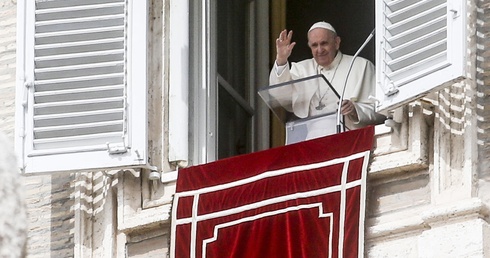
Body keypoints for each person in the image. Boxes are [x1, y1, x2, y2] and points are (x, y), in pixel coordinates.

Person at [269, 21, 385, 141]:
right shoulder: (301, 69)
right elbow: (279, 95)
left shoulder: (361, 66)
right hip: (312, 141)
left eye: (324, 43)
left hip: (350, 139)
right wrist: (281, 60)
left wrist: (356, 110)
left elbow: (381, 111)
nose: (319, 50)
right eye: (314, 45)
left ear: (336, 43)